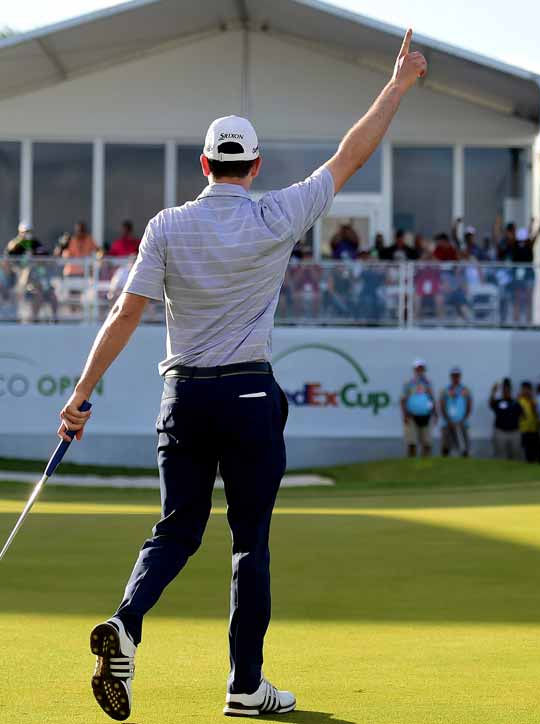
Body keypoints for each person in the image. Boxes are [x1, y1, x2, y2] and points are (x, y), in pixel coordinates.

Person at [55, 31, 428, 720]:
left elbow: (126, 314)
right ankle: (245, 686)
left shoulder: (166, 226)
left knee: (177, 529)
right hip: (250, 396)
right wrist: (398, 84)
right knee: (248, 542)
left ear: (204, 164)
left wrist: (80, 395)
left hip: (184, 397)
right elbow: (350, 154)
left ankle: (127, 624)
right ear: (253, 166)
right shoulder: (278, 213)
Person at [401, 359, 436, 457]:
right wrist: (405, 414)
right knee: (411, 443)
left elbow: (431, 399)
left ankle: (426, 463)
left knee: (427, 443)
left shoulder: (428, 383)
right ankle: (411, 463)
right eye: (418, 369)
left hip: (426, 416)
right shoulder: (408, 383)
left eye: (421, 368)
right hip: (411, 416)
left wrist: (435, 413)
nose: (420, 371)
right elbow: (403, 399)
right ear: (414, 370)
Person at [438, 366, 472, 458]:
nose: (455, 378)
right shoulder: (445, 390)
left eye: (457, 376)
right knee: (446, 446)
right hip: (447, 423)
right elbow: (442, 405)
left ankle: (465, 462)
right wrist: (448, 420)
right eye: (454, 376)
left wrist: (463, 419)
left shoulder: (465, 390)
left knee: (464, 446)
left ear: (460, 376)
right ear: (451, 377)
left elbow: (469, 405)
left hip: (462, 422)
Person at [490, 378, 522, 460]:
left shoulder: (515, 402)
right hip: (501, 432)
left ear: (510, 389)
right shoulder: (498, 401)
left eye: (508, 388)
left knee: (516, 455)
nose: (506, 390)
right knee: (501, 456)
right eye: (504, 388)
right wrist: (493, 392)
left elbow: (522, 414)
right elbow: (491, 405)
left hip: (514, 432)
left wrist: (519, 401)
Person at [517, 381, 540, 463]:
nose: (526, 391)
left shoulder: (533, 400)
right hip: (524, 430)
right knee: (528, 452)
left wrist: (532, 403)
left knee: (538, 451)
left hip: (534, 429)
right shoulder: (519, 401)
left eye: (527, 389)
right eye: (524, 389)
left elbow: (537, 413)